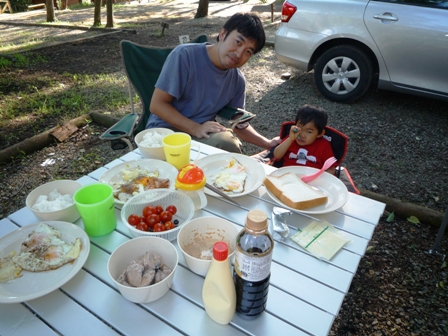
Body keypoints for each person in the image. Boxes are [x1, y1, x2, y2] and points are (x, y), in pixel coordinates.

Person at [147, 13, 281, 153]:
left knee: (228, 144)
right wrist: (195, 128)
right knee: (227, 145)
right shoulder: (184, 56)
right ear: (223, 34)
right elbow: (157, 105)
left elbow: (238, 123)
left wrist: (268, 143)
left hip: (202, 135)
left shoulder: (237, 80)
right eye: (238, 42)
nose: (239, 54)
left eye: (248, 51)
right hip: (166, 131)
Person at [273, 104, 337, 174]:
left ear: (320, 133)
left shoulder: (324, 145)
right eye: (299, 128)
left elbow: (331, 169)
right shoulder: (291, 139)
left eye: (309, 132)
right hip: (287, 176)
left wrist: (319, 179)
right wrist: (290, 139)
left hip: (311, 181)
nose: (302, 135)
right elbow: (277, 156)